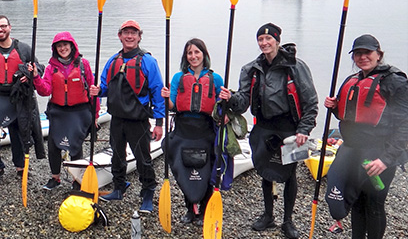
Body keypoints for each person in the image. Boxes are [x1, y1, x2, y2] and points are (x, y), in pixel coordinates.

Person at [219, 23, 318, 239]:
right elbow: (243, 102)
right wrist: (231, 98)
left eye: (268, 39)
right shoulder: (251, 68)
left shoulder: (296, 67)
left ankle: (288, 221)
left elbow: (311, 102)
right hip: (263, 125)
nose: (264, 43)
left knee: (290, 173)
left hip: (289, 127)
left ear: (277, 40)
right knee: (264, 170)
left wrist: (304, 129)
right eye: (261, 40)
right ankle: (268, 215)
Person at [324, 34, 408, 239]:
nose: (362, 57)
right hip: (353, 150)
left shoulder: (395, 82)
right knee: (356, 201)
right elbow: (351, 115)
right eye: (358, 54)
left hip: (379, 152)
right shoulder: (353, 80)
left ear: (378, 55)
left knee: (374, 203)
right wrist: (334, 108)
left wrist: (386, 160)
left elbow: (405, 126)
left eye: (367, 53)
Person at [89, 19, 164, 213]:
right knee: (117, 155)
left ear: (139, 37)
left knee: (143, 159)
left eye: (134, 33)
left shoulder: (148, 61)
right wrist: (97, 91)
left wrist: (159, 123)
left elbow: (157, 92)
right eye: (126, 33)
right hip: (117, 119)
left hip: (138, 120)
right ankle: (119, 187)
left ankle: (147, 192)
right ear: (120, 36)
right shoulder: (113, 61)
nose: (129, 36)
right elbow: (105, 88)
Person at [0, 15, 45, 184]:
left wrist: (31, 73)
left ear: (9, 27)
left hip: (18, 95)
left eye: (3, 26)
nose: (0, 29)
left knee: (18, 133)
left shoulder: (24, 49)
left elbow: (40, 68)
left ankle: (20, 167)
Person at [160, 38, 223, 225]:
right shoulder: (178, 78)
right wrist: (164, 98)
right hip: (183, 131)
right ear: (185, 57)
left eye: (197, 52)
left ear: (204, 54)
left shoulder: (216, 79)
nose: (193, 56)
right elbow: (171, 106)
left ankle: (204, 210)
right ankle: (190, 209)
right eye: (189, 53)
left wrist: (227, 101)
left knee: (206, 171)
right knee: (184, 170)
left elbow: (221, 110)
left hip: (205, 131)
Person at [28, 32, 97, 190]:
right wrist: (36, 77)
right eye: (59, 46)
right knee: (53, 146)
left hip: (79, 111)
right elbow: (45, 91)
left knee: (75, 145)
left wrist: (96, 115)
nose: (63, 48)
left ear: (72, 46)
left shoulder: (83, 64)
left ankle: (76, 180)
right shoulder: (51, 68)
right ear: (55, 49)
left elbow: (93, 91)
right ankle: (55, 178)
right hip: (58, 112)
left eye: (65, 45)